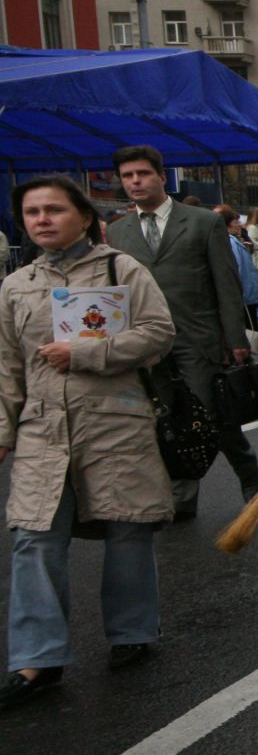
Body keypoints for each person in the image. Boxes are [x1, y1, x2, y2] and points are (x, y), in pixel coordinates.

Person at [0, 176, 177, 708]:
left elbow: (158, 332)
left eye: (54, 209)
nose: (43, 220)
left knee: (126, 527)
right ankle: (38, 659)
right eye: (32, 212)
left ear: (82, 215)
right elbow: (6, 365)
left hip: (113, 421)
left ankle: (131, 632)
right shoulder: (16, 285)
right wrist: (4, 429)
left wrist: (85, 354)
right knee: (35, 537)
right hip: (43, 427)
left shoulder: (120, 269)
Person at [104, 146, 258, 520]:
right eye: (127, 176)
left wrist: (236, 340)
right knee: (164, 420)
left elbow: (226, 283)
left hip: (198, 337)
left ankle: (246, 472)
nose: (135, 182)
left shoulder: (201, 221)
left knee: (206, 414)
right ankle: (183, 494)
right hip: (145, 343)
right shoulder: (117, 231)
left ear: (162, 177)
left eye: (142, 174)